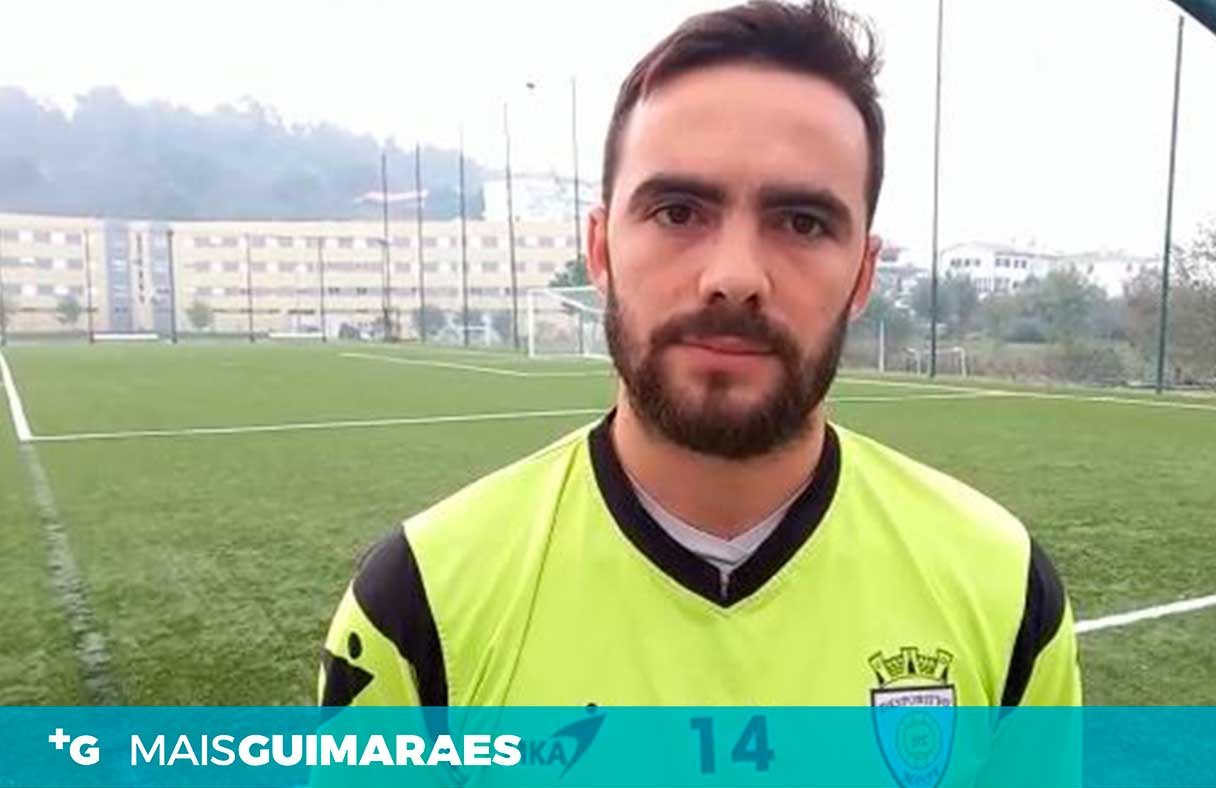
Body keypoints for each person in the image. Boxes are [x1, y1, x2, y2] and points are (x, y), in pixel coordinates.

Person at [319, 0, 1080, 712]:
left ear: (863, 275)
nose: (734, 277)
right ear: (600, 249)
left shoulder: (1006, 592)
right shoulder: (419, 607)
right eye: (678, 211)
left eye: (803, 222)